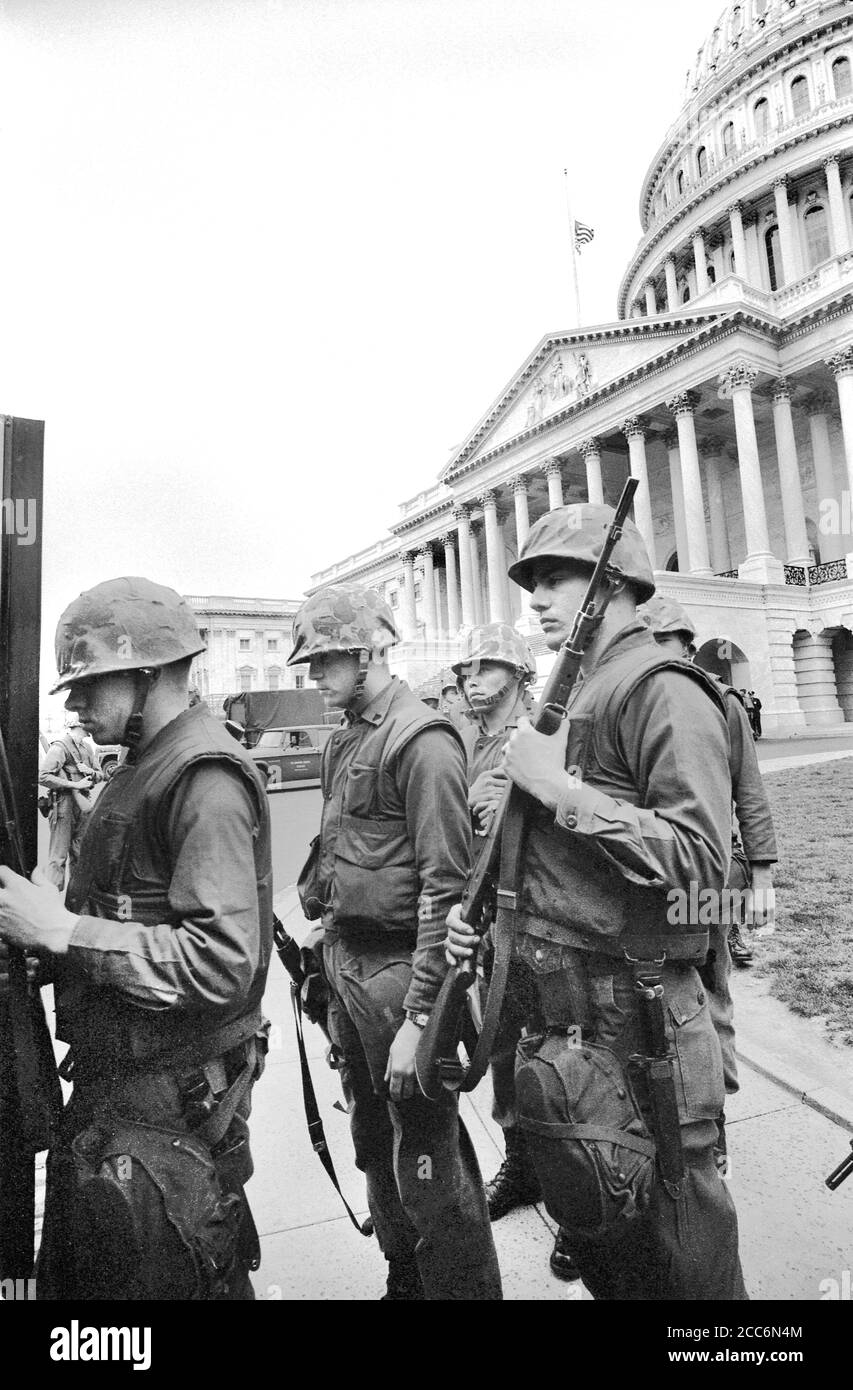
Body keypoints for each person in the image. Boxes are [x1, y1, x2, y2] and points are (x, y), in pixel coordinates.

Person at [446, 504, 747, 1300]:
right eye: (532, 582)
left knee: (682, 1264)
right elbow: (560, 861)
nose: (536, 599)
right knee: (612, 1249)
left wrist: (559, 788)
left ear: (611, 582)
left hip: (638, 1018)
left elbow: (701, 870)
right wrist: (488, 921)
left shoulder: (661, 689)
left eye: (554, 579)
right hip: (568, 1012)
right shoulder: (577, 691)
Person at [0, 577, 273, 1300]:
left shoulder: (201, 777)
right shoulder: (139, 769)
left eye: (89, 684)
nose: (75, 704)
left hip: (167, 1100)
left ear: (147, 672)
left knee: (168, 1271)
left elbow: (220, 965)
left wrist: (63, 930)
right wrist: (49, 942)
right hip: (125, 1093)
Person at [287, 583, 501, 1301]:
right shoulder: (349, 736)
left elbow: (447, 887)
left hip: (404, 973)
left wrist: (419, 1019)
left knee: (429, 1159)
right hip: (349, 965)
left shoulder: (422, 741)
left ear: (366, 652)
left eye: (323, 662)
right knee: (374, 1143)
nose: (313, 676)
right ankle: (405, 1280)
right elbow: (343, 847)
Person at [451, 622, 578, 1280]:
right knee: (500, 1050)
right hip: (487, 922)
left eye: (486, 666)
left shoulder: (543, 735)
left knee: (555, 1059)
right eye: (466, 667)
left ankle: (574, 1188)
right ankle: (521, 1166)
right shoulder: (468, 740)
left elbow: (572, 820)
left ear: (519, 673)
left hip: (539, 923)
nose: (471, 677)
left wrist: (514, 799)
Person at [640, 597, 778, 1163]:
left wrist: (764, 877)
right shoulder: (641, 701)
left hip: (709, 879)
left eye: (667, 647)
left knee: (707, 997)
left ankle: (711, 1126)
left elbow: (751, 792)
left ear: (688, 648)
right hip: (653, 877)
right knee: (656, 1001)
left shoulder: (720, 702)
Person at [39, 719, 104, 890]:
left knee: (80, 853)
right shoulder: (59, 747)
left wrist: (91, 772)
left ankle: (76, 900)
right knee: (58, 857)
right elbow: (43, 776)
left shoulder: (87, 748)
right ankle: (51, 903)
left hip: (83, 806)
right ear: (78, 726)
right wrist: (74, 785)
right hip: (63, 805)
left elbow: (101, 774)